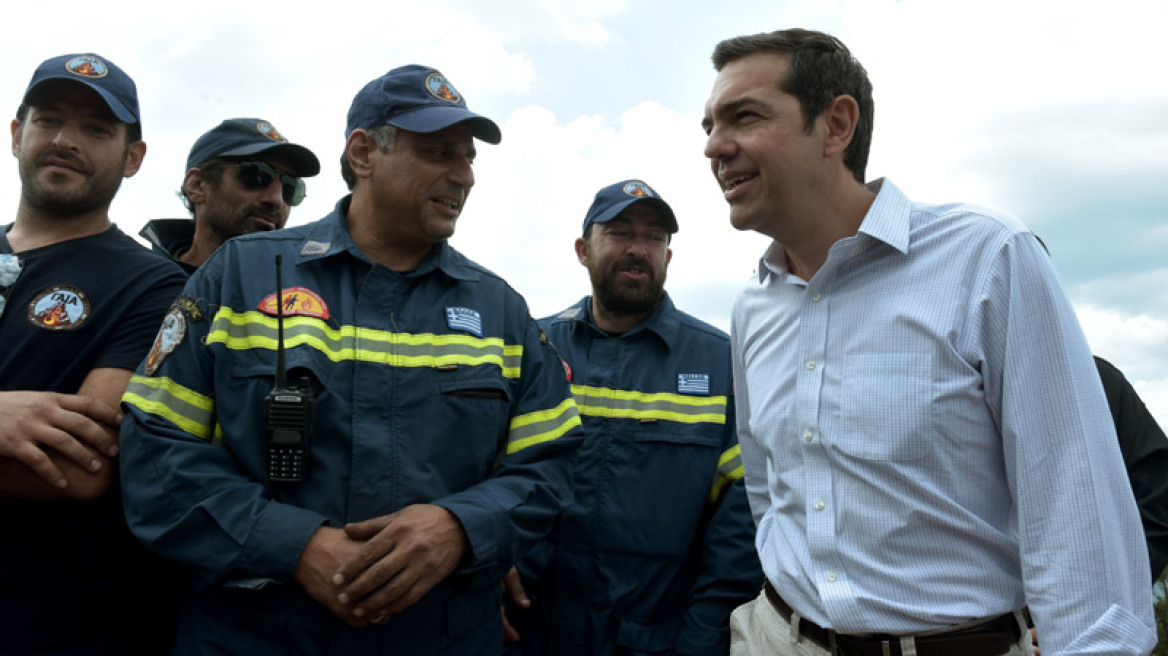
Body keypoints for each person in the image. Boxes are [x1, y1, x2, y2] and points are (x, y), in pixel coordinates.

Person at [700, 28, 1156, 656]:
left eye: (743, 117)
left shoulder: (988, 257)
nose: (715, 147)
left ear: (836, 125)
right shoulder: (753, 305)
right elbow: (769, 493)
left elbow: (1075, 510)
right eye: (708, 127)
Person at [117, 63, 583, 655]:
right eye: (439, 152)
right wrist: (296, 545)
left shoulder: (501, 309)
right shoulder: (239, 273)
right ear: (363, 152)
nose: (463, 176)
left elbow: (552, 466)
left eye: (468, 159)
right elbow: (154, 451)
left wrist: (461, 528)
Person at [505, 180, 762, 655]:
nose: (638, 250)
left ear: (668, 256)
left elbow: (741, 518)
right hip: (527, 632)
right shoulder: (535, 348)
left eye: (654, 237)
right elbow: (491, 476)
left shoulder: (719, 361)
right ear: (584, 249)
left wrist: (705, 633)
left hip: (656, 641)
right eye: (620, 233)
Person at [0, 53, 188, 655]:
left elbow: (79, 468)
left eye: (96, 130)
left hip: (42, 621)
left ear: (133, 158)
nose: (64, 140)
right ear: (16, 133)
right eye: (48, 119)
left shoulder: (154, 286)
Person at [140, 117, 320, 273]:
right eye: (256, 174)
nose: (276, 199)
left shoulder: (304, 297)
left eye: (290, 186)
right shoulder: (138, 283)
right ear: (197, 185)